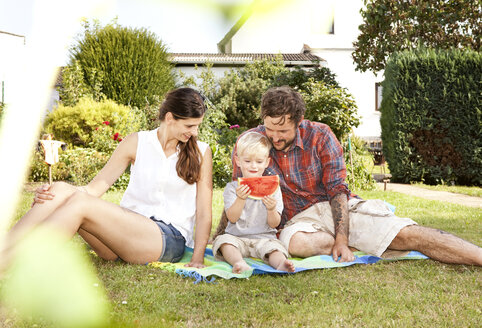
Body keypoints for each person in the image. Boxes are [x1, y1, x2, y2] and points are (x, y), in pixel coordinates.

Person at [218, 85, 482, 266]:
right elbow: (238, 190)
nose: (274, 137)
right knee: (298, 245)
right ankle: (370, 244)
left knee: (408, 235)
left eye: (283, 131)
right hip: (296, 221)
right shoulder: (250, 144)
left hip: (334, 207)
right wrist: (220, 234)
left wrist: (342, 238)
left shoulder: (320, 135)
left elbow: (336, 190)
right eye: (270, 128)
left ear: (299, 121)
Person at [3, 87, 213, 268]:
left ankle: (14, 266)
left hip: (167, 239)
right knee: (58, 189)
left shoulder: (202, 152)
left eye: (197, 126)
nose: (194, 132)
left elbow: (204, 211)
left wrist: (197, 257)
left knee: (80, 203)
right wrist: (52, 193)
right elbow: (94, 189)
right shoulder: (137, 142)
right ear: (169, 118)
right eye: (189, 126)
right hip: (119, 238)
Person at [212, 132, 295, 273]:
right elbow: (232, 218)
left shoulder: (274, 189)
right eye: (248, 161)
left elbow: (274, 223)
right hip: (236, 237)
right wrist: (240, 199)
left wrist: (271, 209)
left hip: (264, 238)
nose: (253, 166)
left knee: (275, 248)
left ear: (267, 162)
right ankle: (238, 262)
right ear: (238, 161)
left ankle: (281, 264)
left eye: (259, 161)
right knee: (224, 242)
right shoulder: (231, 189)